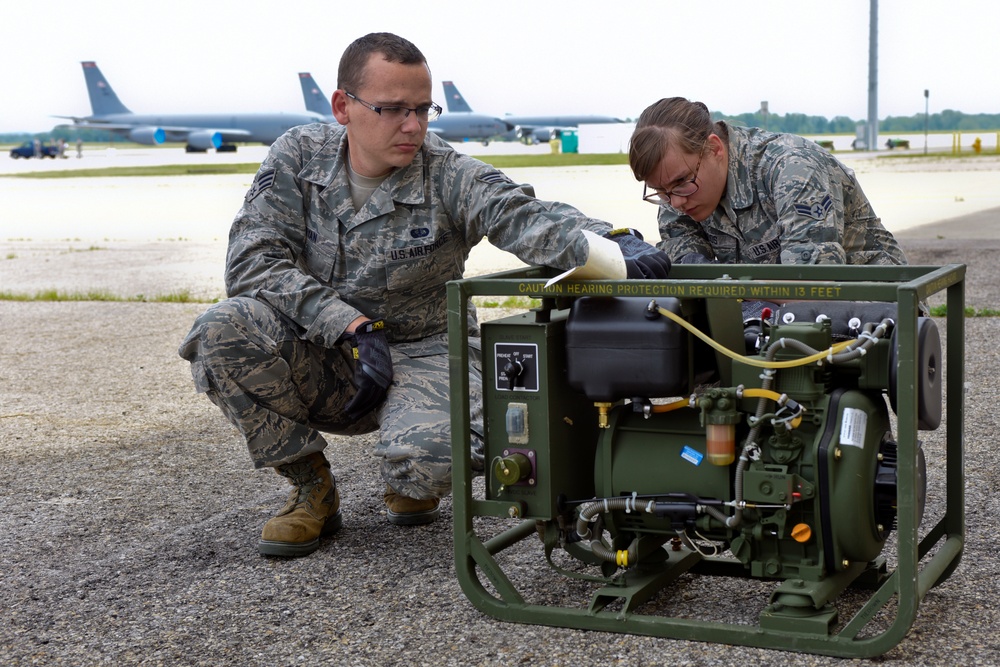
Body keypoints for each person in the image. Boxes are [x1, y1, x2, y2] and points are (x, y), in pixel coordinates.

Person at [178, 32, 671, 559]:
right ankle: (311, 488)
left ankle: (409, 471)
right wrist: (347, 325)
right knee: (221, 331)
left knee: (426, 464)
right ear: (343, 106)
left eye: (422, 108)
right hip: (325, 351)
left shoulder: (446, 174)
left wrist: (612, 245)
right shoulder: (299, 157)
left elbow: (522, 214)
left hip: (424, 351)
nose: (412, 126)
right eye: (392, 109)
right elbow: (252, 263)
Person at [628, 97, 907, 266]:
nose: (675, 202)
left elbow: (810, 285)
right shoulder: (679, 188)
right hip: (769, 317)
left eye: (681, 183)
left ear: (714, 148)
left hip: (874, 312)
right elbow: (689, 272)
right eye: (661, 192)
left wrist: (727, 289)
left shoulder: (792, 170)